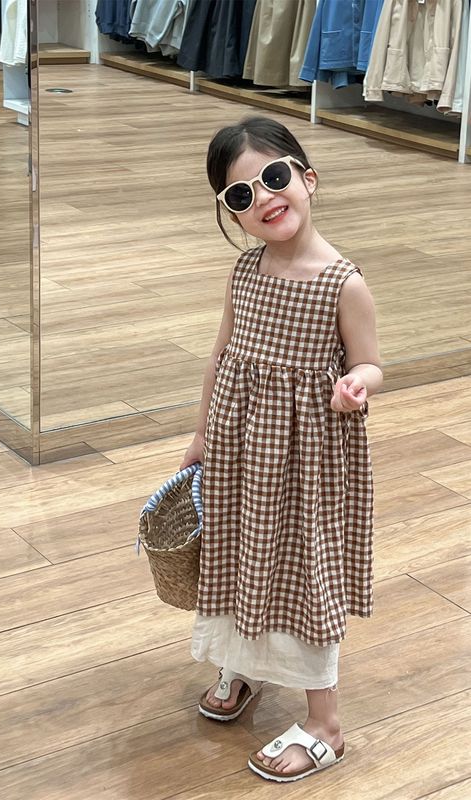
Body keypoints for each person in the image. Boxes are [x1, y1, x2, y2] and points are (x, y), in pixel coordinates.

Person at [179, 116, 382, 783]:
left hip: (307, 460)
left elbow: (370, 361)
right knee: (240, 550)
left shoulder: (342, 282)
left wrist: (356, 384)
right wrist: (202, 434)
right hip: (241, 450)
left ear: (307, 178)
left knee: (300, 566)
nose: (263, 198)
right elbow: (220, 357)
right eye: (241, 195)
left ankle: (325, 723)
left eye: (273, 177)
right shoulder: (245, 272)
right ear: (232, 215)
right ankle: (243, 665)